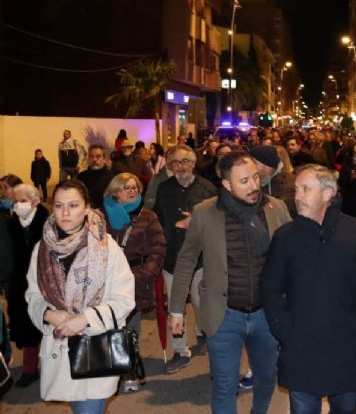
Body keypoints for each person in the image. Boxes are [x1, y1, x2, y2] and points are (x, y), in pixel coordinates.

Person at [170, 151, 291, 414]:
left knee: (267, 379)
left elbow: (294, 255)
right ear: (226, 184)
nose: (254, 186)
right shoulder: (205, 213)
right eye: (244, 181)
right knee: (224, 387)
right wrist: (177, 309)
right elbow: (187, 259)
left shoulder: (276, 209)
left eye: (255, 177)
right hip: (224, 316)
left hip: (267, 315)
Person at [262, 164, 356, 414]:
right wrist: (284, 329)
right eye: (297, 189)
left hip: (346, 347)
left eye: (305, 189)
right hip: (300, 348)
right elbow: (270, 288)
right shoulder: (285, 237)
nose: (297, 196)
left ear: (328, 193)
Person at [25, 179, 135, 414]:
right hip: (60, 347)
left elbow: (124, 300)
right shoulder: (42, 249)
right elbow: (32, 295)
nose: (65, 213)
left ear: (86, 208)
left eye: (73, 205)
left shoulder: (106, 248)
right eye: (59, 206)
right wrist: (48, 314)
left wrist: (85, 319)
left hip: (96, 349)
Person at [154, 145, 217, 373]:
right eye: (175, 162)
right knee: (175, 305)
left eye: (185, 161)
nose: (180, 166)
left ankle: (202, 332)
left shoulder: (208, 189)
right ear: (170, 166)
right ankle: (180, 351)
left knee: (200, 302)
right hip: (173, 257)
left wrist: (198, 222)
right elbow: (158, 218)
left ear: (193, 163)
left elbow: (219, 222)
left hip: (201, 258)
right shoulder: (163, 189)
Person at [103, 173, 165, 392]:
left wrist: (147, 273)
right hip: (106, 279)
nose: (132, 191)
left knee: (130, 328)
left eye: (134, 187)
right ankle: (110, 369)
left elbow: (158, 248)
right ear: (114, 192)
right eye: (126, 188)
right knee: (108, 326)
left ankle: (130, 371)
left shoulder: (147, 216)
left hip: (134, 279)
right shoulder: (101, 215)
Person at [6, 184, 48, 387]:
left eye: (23, 201)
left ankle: (51, 368)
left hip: (45, 282)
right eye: (15, 201)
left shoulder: (48, 222)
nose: (18, 205)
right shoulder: (10, 224)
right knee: (27, 327)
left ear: (35, 201)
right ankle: (30, 370)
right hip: (19, 284)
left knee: (48, 326)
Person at [250, 145, 296, 217]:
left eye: (254, 163)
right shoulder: (259, 182)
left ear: (268, 166)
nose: (249, 167)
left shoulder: (288, 185)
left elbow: (276, 214)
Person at [77, 145, 115, 210]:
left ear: (104, 159)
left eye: (98, 156)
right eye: (91, 156)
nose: (94, 159)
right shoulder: (81, 176)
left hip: (105, 212)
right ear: (88, 159)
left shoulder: (111, 177)